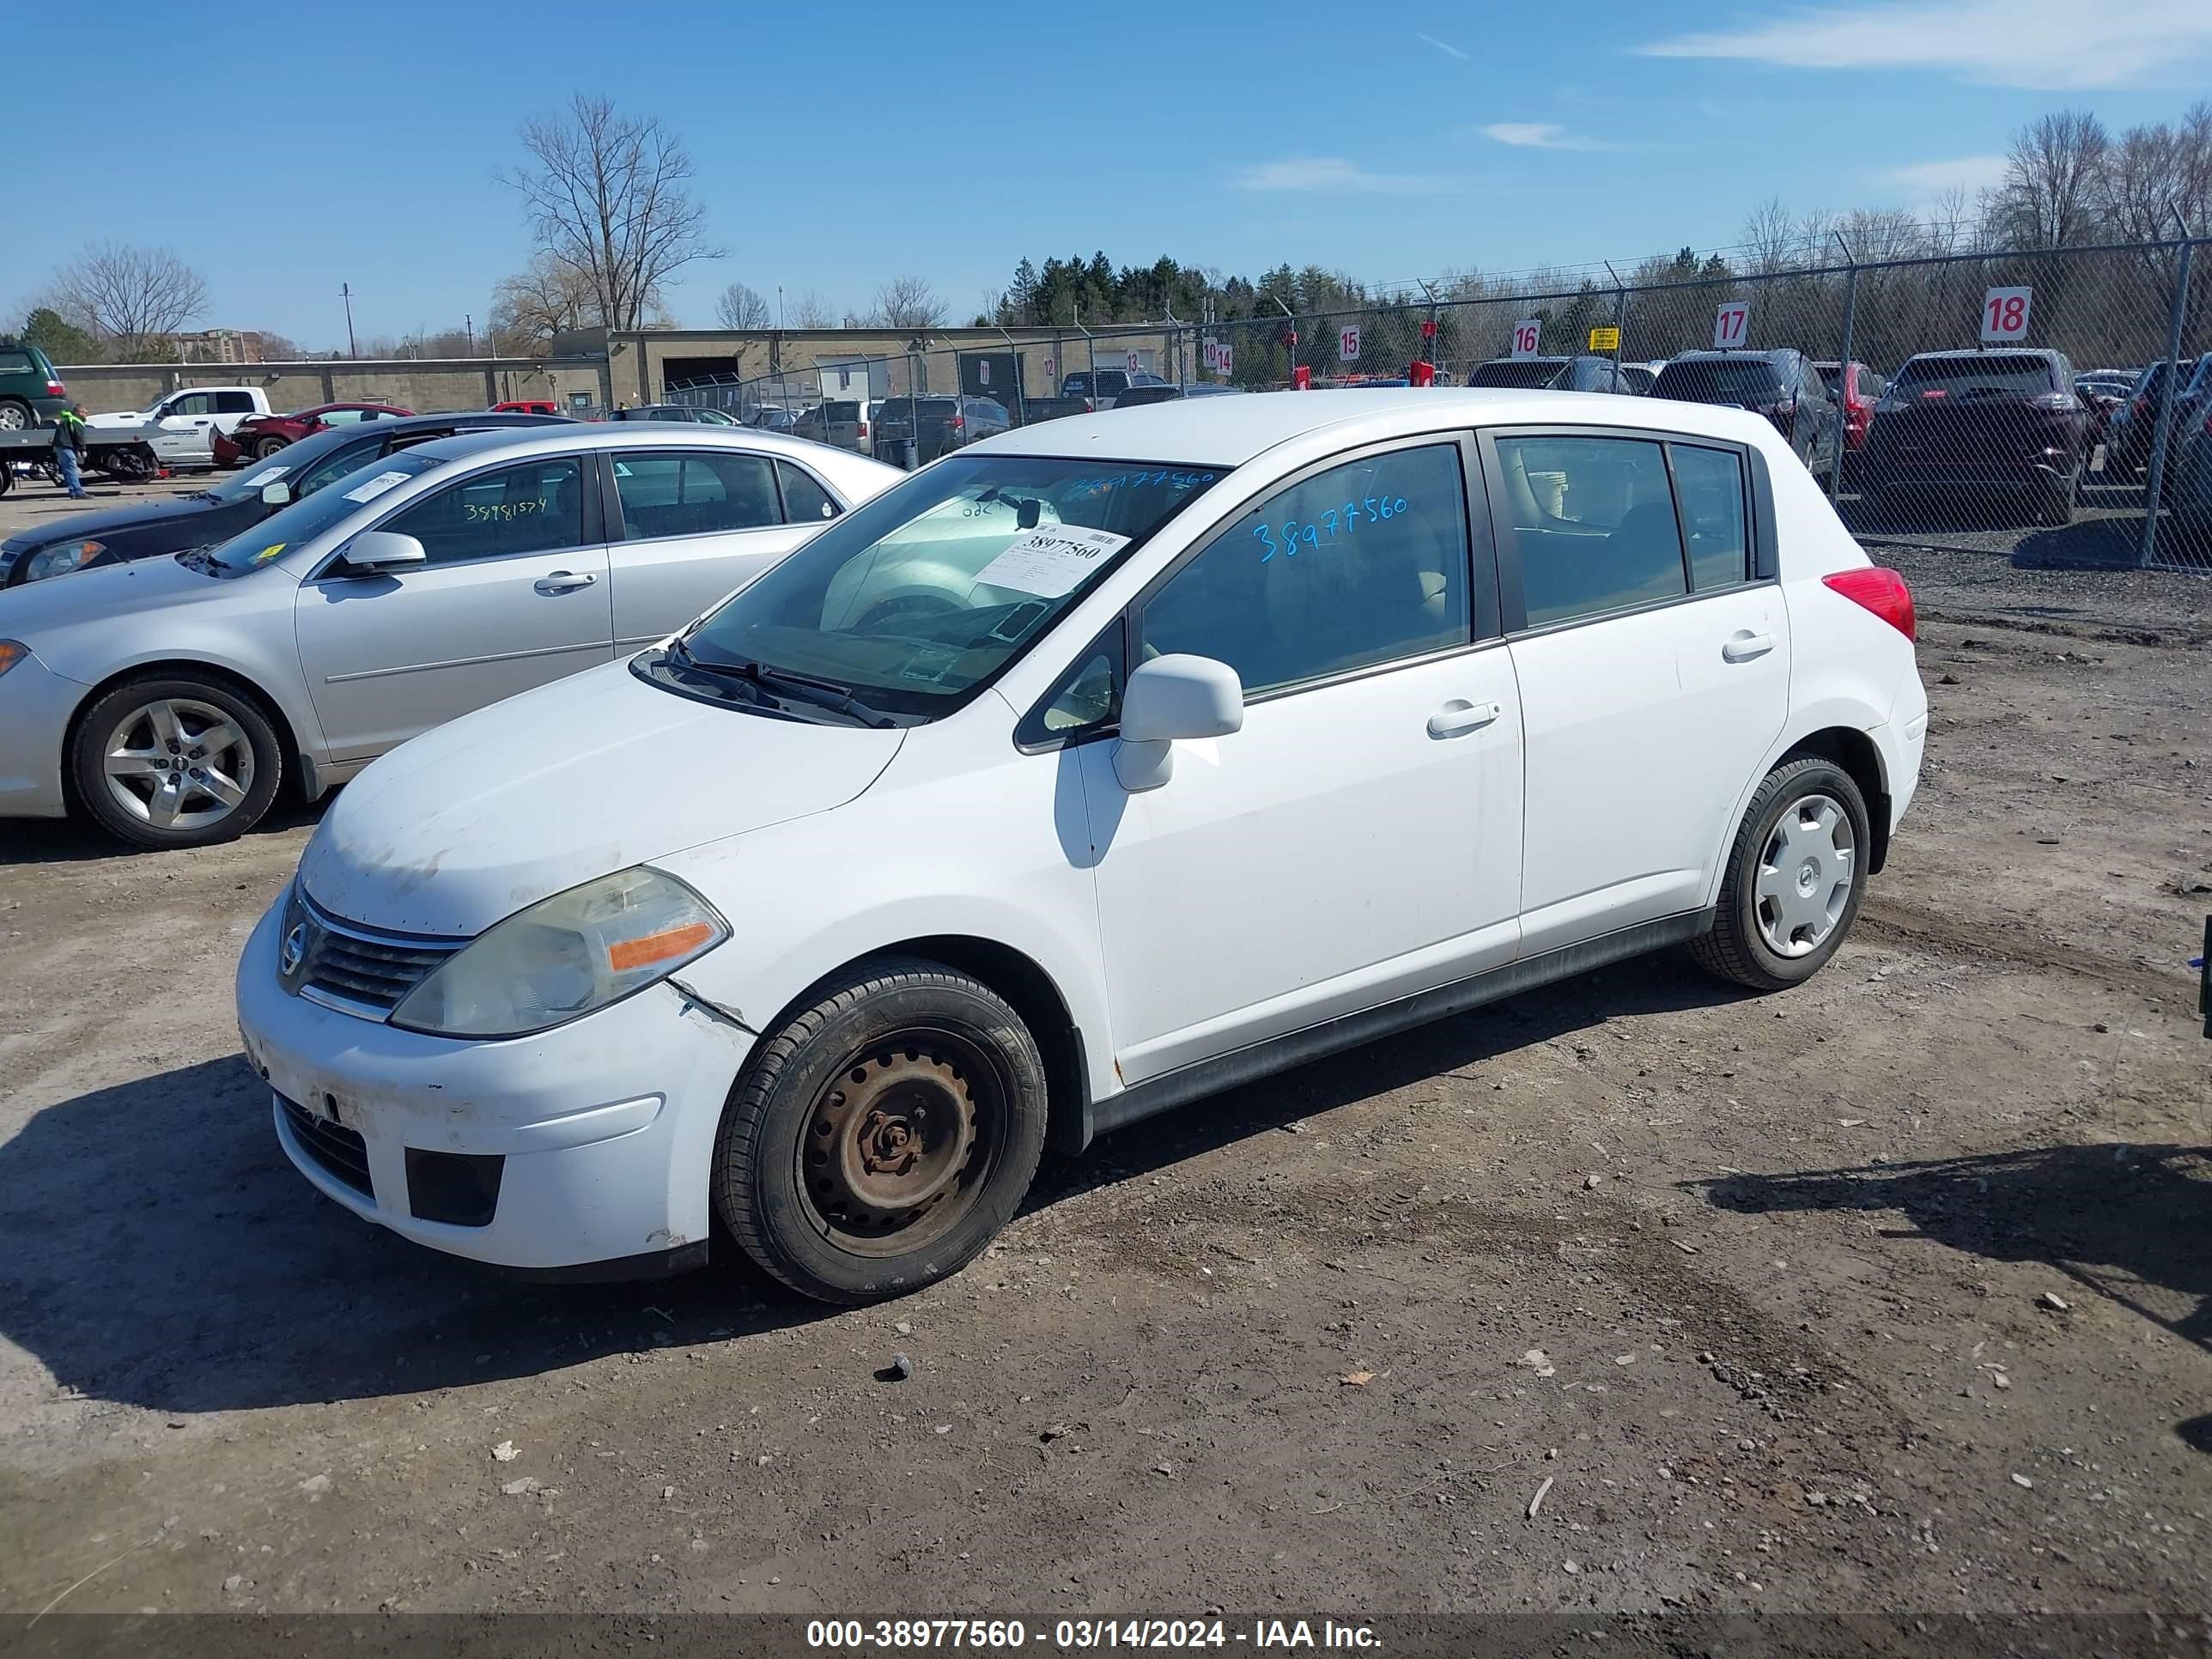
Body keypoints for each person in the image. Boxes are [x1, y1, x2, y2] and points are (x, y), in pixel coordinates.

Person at [52, 402, 89, 499]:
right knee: (72, 469)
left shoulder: (67, 419)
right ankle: (78, 492)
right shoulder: (76, 421)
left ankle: (72, 491)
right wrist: (83, 449)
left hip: (60, 446)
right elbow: (79, 436)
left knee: (67, 469)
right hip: (66, 447)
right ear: (79, 412)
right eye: (85, 413)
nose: (86, 415)